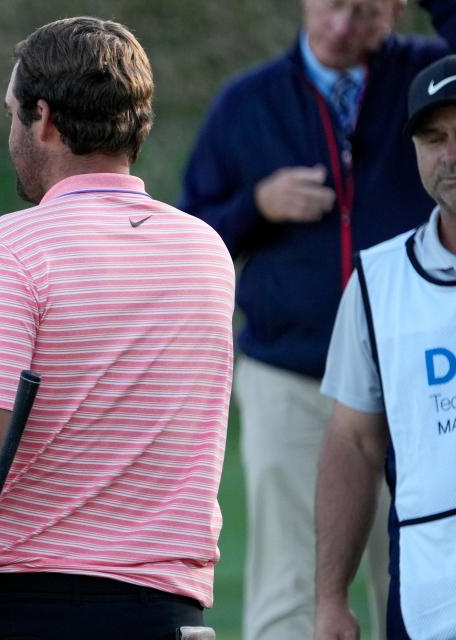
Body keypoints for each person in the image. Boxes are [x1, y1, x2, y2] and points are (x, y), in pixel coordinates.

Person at [0, 17, 235, 640]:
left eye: (11, 115)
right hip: (170, 615)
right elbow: (102, 436)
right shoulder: (205, 251)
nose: (10, 134)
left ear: (44, 120)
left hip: (31, 610)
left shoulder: (12, 249)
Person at [179, 1, 456, 637]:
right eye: (331, 5)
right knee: (291, 589)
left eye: (363, 11)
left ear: (395, 8)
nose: (340, 27)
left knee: (417, 571)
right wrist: (256, 205)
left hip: (417, 373)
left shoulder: (428, 80)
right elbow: (191, 234)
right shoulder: (249, 101)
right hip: (292, 375)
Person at [316, 54, 456, 640]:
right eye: (434, 138)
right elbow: (353, 440)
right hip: (431, 597)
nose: (450, 155)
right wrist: (330, 599)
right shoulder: (378, 282)